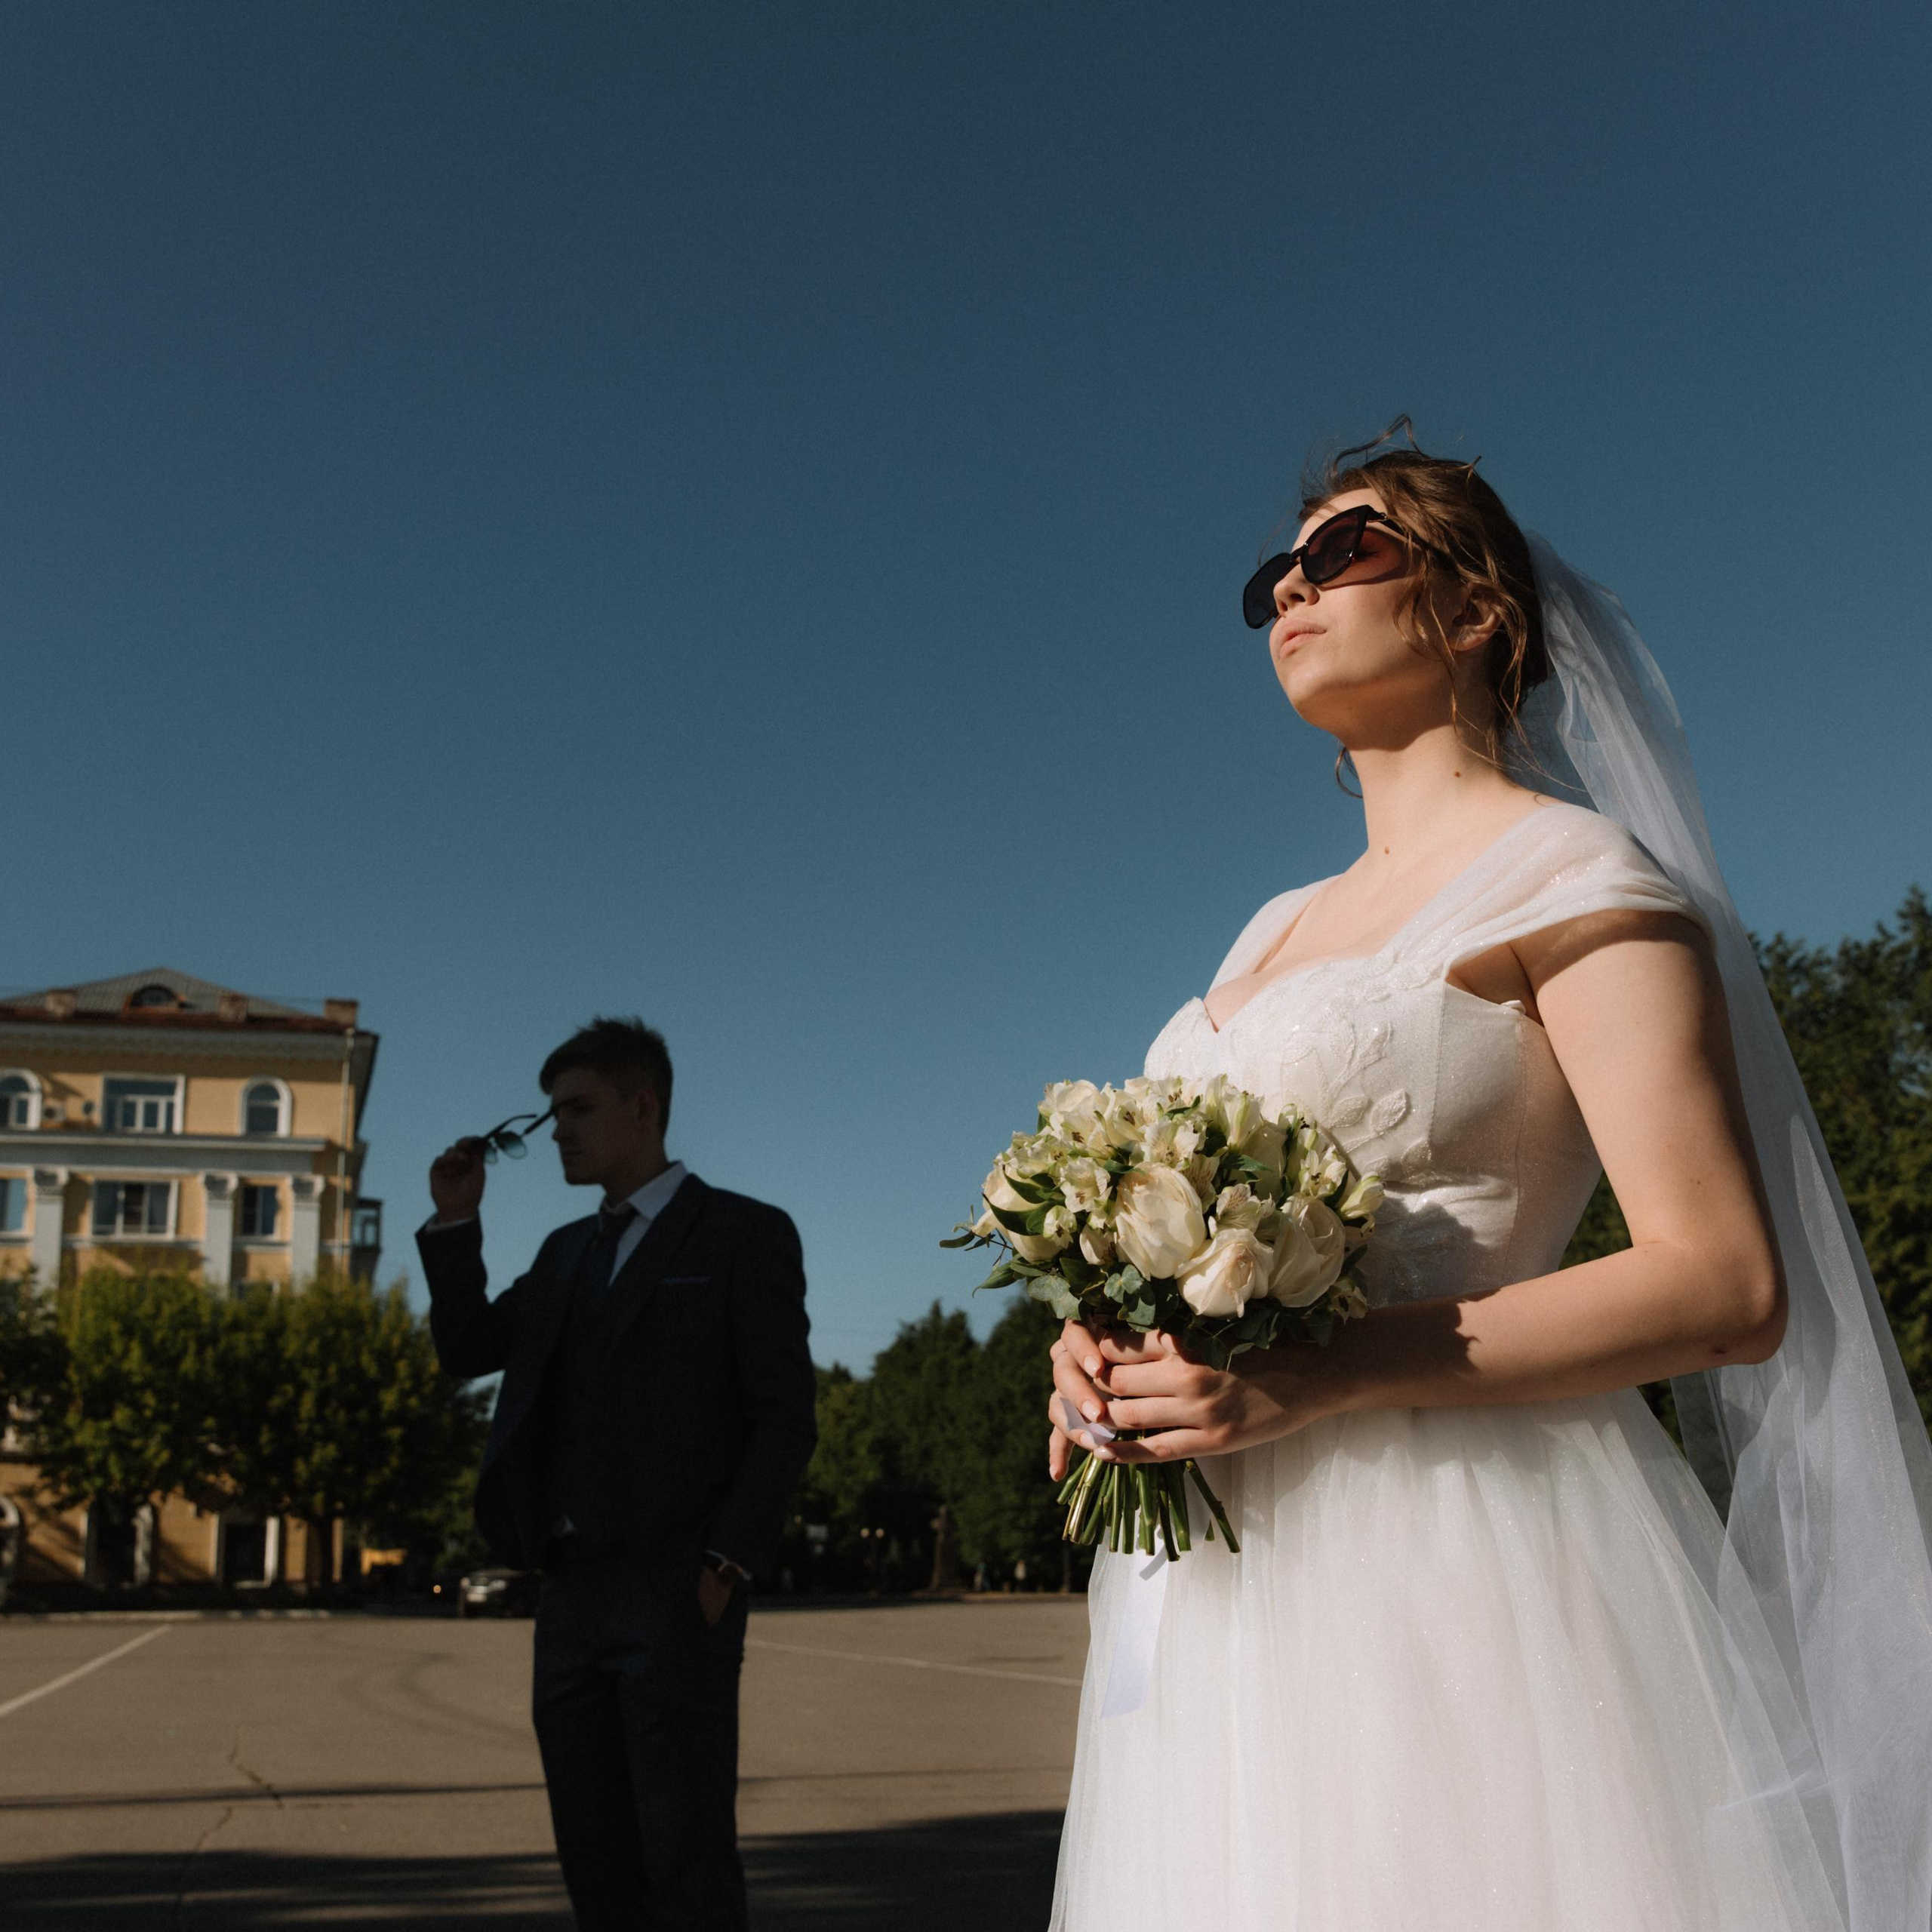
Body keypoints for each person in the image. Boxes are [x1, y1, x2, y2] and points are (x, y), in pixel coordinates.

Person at [1044, 432, 1932, 1930]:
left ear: (1475, 611)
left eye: (1347, 551)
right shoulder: (1264, 928)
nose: (1290, 590)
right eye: (1275, 571)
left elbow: (1721, 1280)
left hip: (1465, 1550)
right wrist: (1113, 1344)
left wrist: (1322, 1372)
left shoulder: (1573, 875)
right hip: (1223, 1579)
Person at [421, 1017, 817, 1931]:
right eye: (552, 1109)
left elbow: (783, 1417)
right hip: (568, 1596)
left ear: (643, 1107)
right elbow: (468, 1346)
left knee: (685, 1861)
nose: (557, 1127)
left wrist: (724, 1565)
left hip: (676, 1588)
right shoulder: (566, 1253)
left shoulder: (742, 1233)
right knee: (594, 1861)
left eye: (577, 1107)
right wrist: (455, 1219)